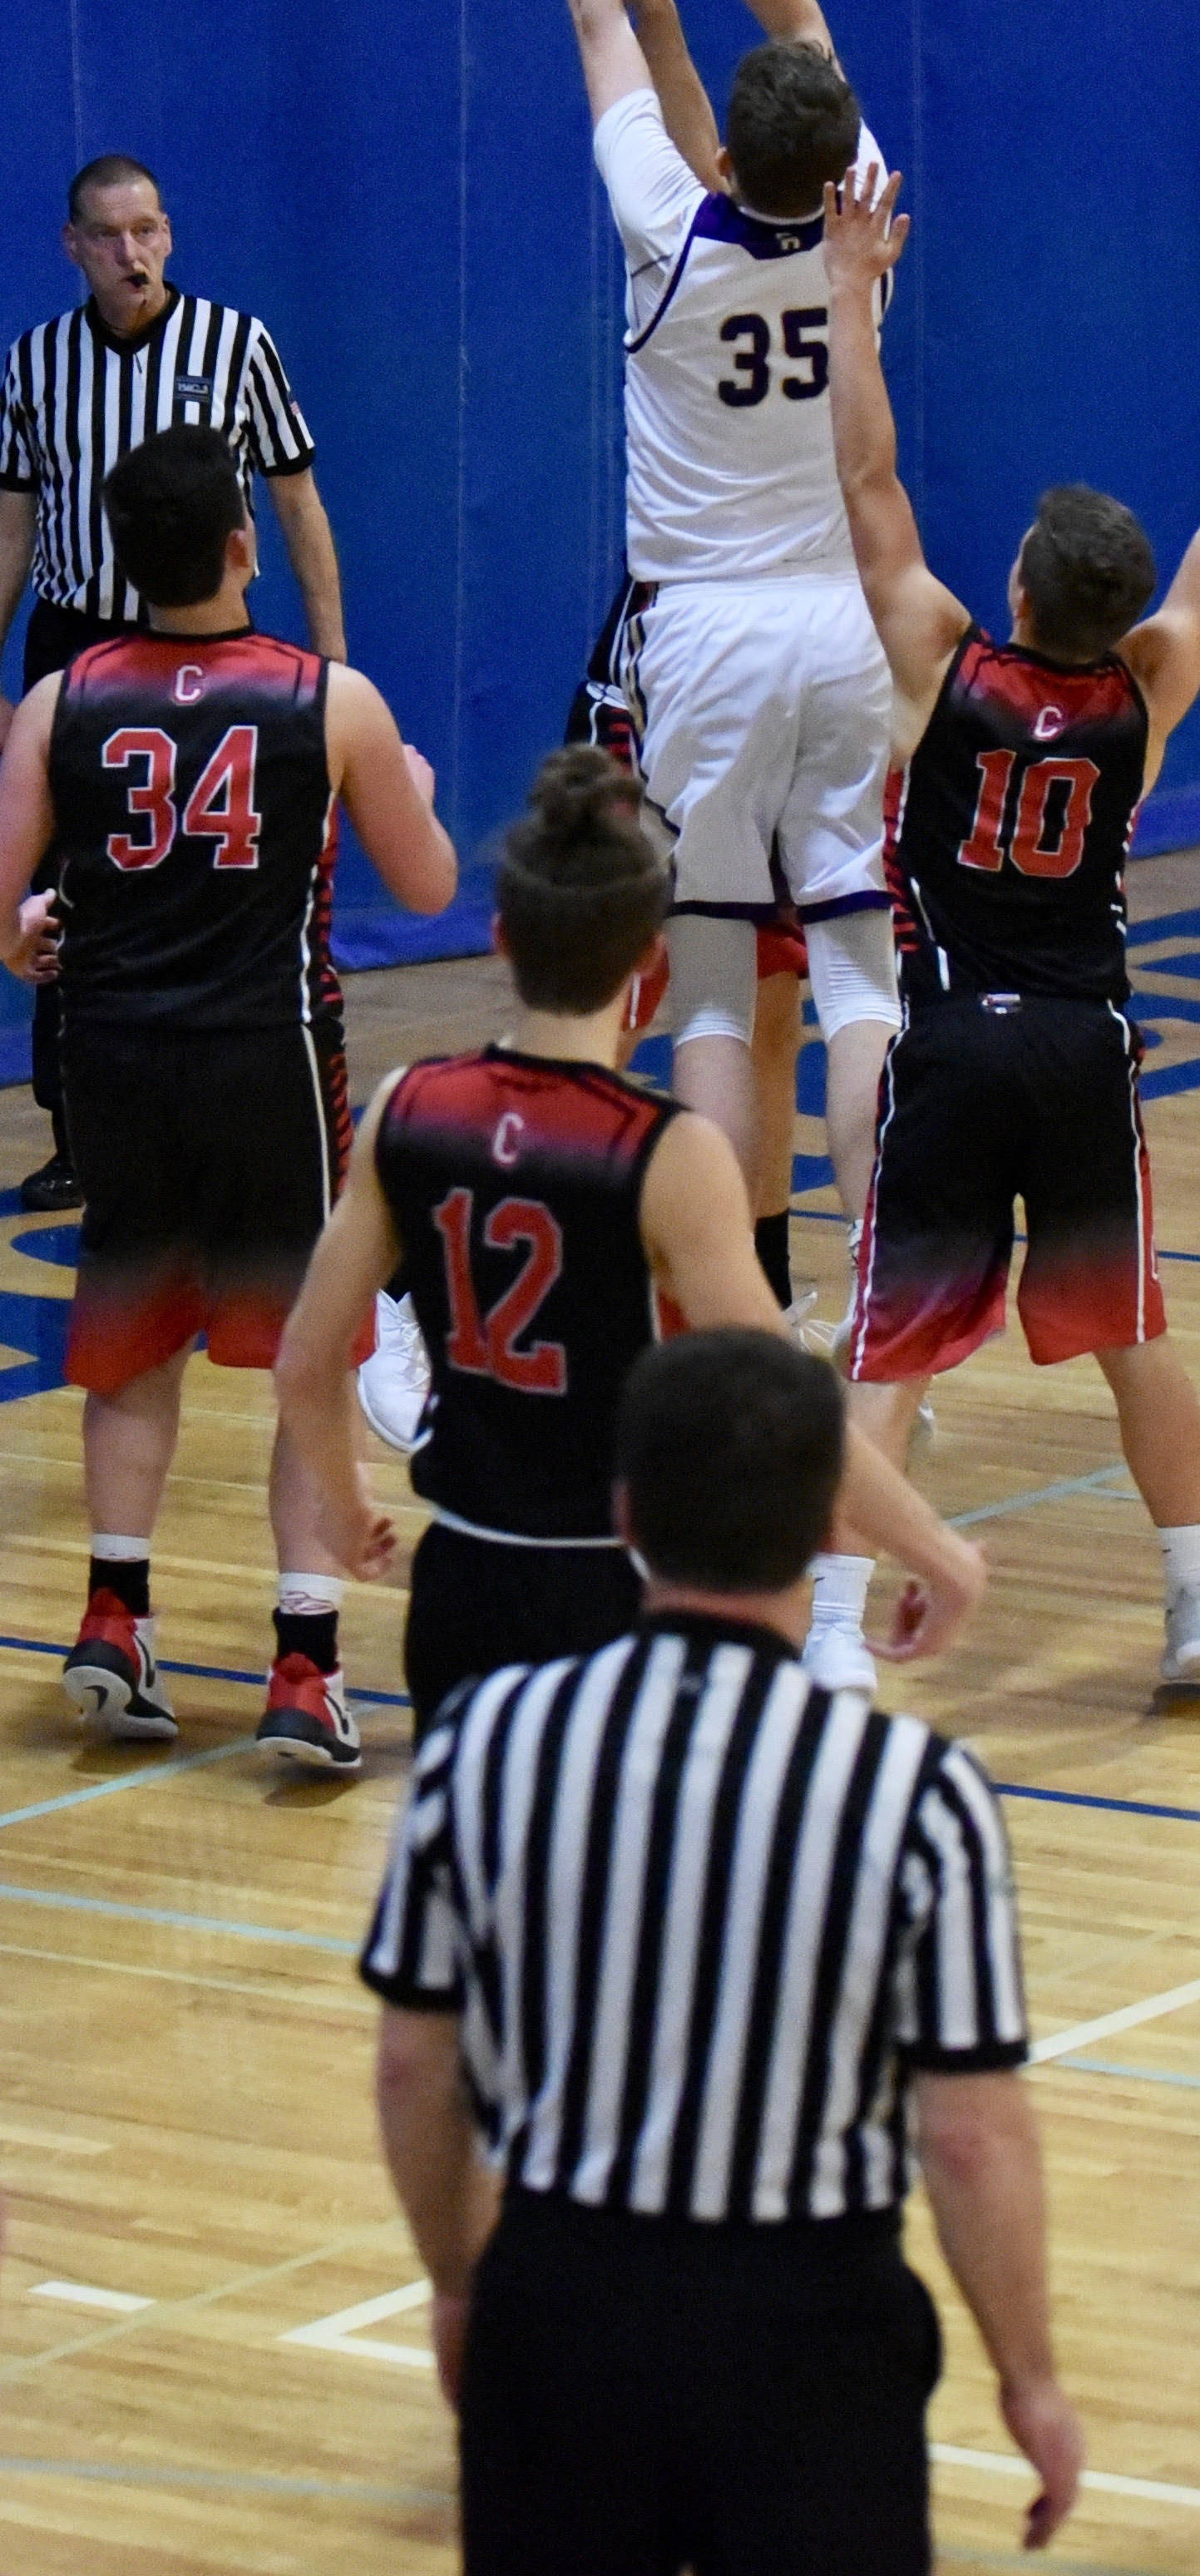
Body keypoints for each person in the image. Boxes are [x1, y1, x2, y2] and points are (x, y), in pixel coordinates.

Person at [361, 1328, 1084, 2576]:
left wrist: (458, 2285)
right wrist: (1029, 2379)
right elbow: (968, 2134)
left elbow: (414, 2072)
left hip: (564, 2305)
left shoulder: (488, 1738)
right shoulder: (914, 1790)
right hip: (809, 2333)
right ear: (823, 1532)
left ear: (627, 1513)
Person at [820, 166, 1200, 1683]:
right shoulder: (1143, 695)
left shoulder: (942, 669)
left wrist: (853, 294)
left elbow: (866, 488)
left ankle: (839, 1642)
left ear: (1017, 587)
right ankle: (1197, 1613)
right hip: (1080, 1045)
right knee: (1129, 1337)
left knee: (893, 1347)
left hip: (952, 1041)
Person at [277, 745, 985, 1730]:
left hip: (459, 1584)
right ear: (649, 959)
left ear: (500, 938)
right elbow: (781, 1405)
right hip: (604, 1592)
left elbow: (308, 1358)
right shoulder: (664, 1153)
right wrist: (938, 1550)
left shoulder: (410, 1108)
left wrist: (344, 1505)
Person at [0, 427, 457, 1769]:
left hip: (117, 1065)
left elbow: (7, 914)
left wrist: (31, 926)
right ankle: (306, 1665)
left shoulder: (58, 699)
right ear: (243, 544)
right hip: (268, 1064)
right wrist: (413, 788)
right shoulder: (329, 699)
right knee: (308, 1356)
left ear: (118, 563)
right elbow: (430, 888)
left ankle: (114, 1610)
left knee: (133, 1344)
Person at [511, 0, 901, 1278]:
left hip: (705, 638)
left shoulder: (668, 233)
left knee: (719, 990)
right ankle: (878, 1304)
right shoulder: (862, 220)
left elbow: (593, 9)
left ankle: (723, 1297)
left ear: (721, 152)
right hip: (845, 623)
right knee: (862, 975)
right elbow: (795, 19)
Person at [0, 153, 347, 1207]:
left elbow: (298, 505)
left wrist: (331, 665)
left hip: (205, 642)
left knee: (208, 872)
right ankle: (77, 1124)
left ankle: (233, 1107)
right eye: (108, 235)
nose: (131, 252)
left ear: (171, 234)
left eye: (147, 229)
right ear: (72, 246)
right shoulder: (36, 362)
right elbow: (14, 526)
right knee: (69, 887)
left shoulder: (237, 346)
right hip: (76, 642)